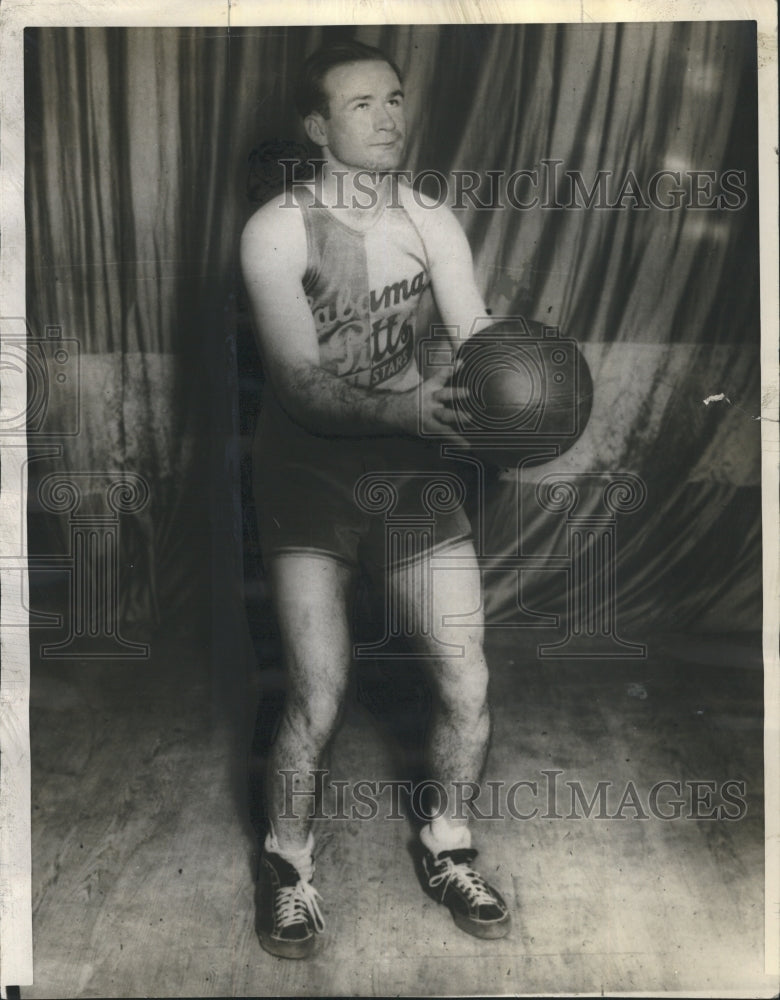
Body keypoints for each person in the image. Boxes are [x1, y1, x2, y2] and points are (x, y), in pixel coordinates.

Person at [240, 39, 511, 959]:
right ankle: (288, 867)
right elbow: (299, 388)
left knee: (466, 670)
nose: (389, 116)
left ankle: (449, 846)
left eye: (394, 97)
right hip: (307, 472)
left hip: (405, 462)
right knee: (319, 690)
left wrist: (520, 383)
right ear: (318, 126)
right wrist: (416, 409)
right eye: (362, 105)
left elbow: (474, 339)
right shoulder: (275, 229)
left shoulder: (431, 221)